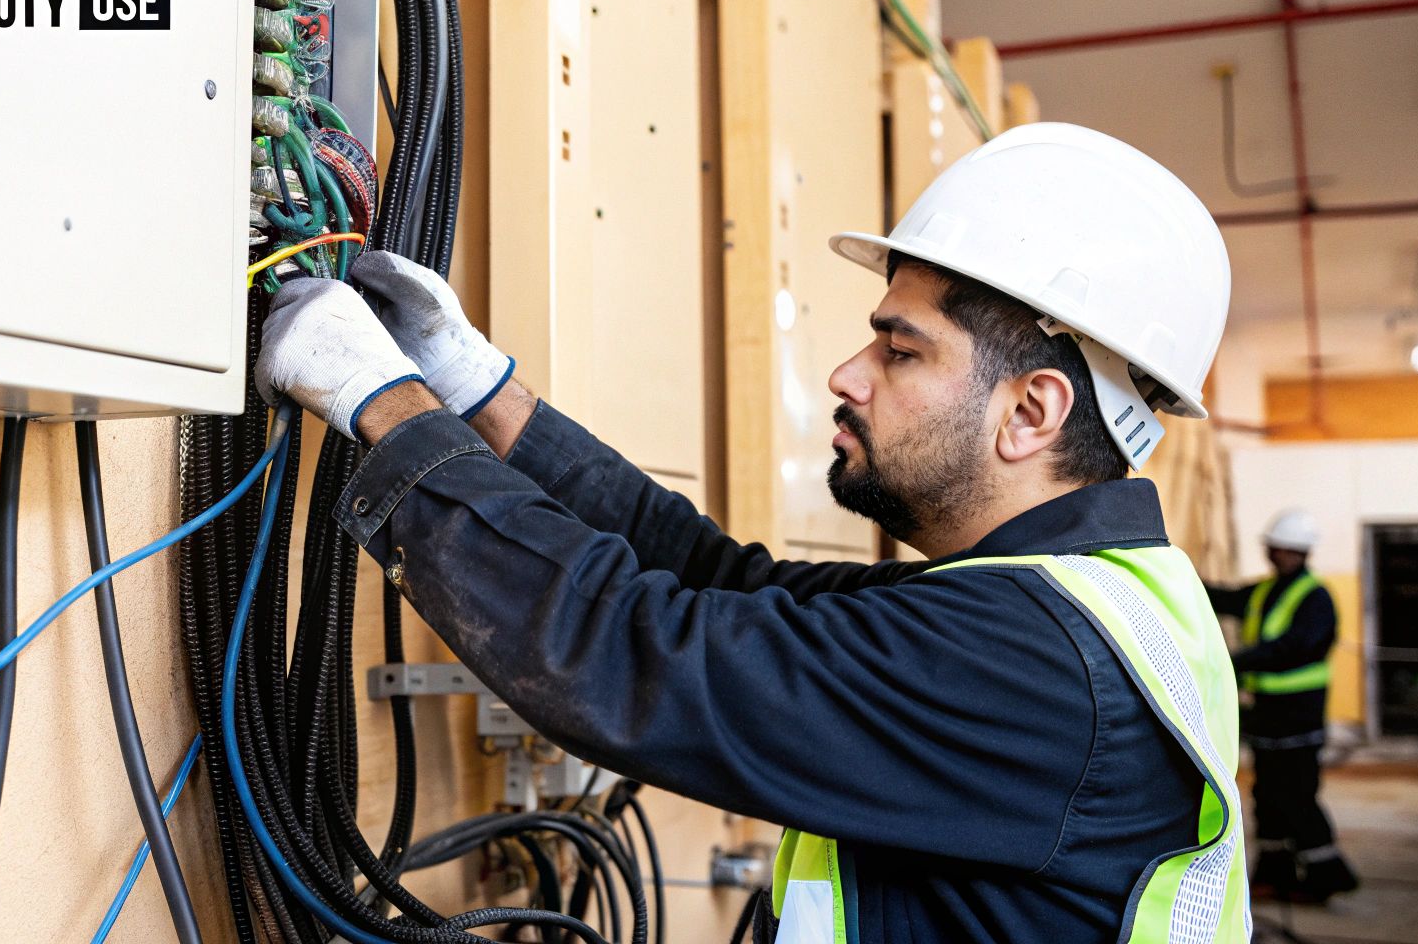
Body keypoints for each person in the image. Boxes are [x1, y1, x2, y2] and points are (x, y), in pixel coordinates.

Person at [256, 123, 1250, 943]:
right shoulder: (1074, 600)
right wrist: (480, 390)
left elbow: (635, 657)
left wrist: (382, 403)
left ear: (1029, 413)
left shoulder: (1033, 659)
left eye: (899, 350)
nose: (847, 374)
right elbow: (719, 581)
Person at [1208, 509, 1360, 903]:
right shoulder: (1265, 592)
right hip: (1268, 717)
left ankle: (1327, 874)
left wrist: (1239, 660)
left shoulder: (1315, 598)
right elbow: (1224, 597)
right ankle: (1275, 875)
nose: (1272, 553)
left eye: (1278, 547)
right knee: (1269, 797)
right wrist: (1178, 575)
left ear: (1297, 551)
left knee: (1296, 797)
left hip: (1298, 717)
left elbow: (1295, 647)